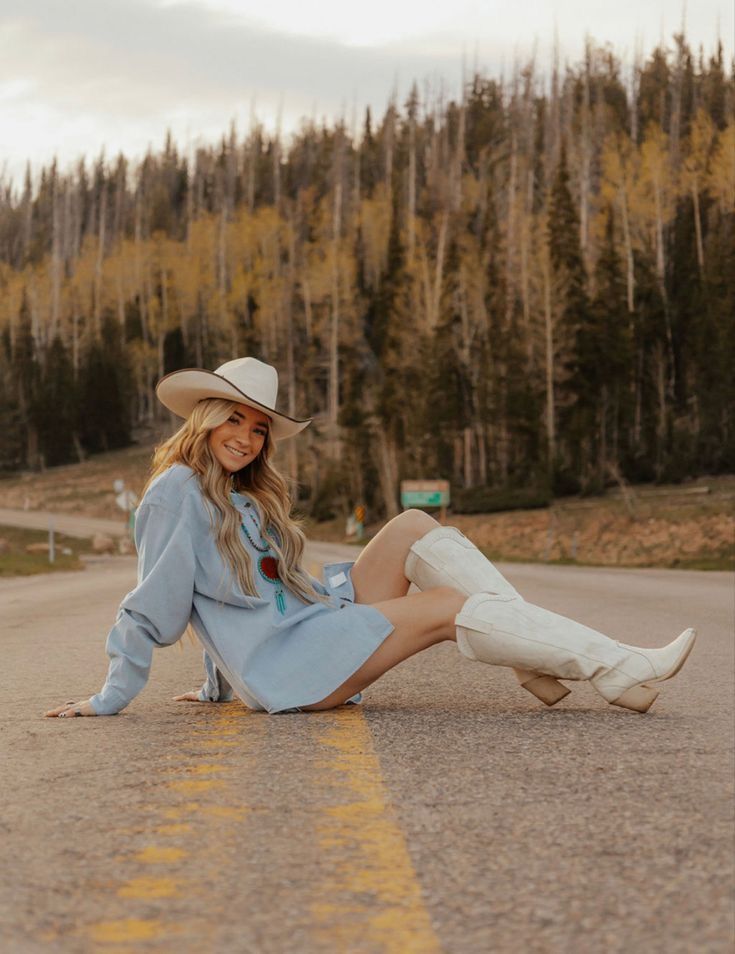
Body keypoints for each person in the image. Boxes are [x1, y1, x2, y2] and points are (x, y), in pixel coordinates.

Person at [45, 357, 696, 721]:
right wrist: (110, 696)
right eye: (234, 421)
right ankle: (614, 665)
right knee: (442, 608)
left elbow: (243, 595)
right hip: (289, 666)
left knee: (414, 527)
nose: (247, 437)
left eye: (259, 428)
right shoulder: (174, 493)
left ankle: (539, 659)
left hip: (310, 627)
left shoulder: (243, 492)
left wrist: (217, 684)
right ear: (206, 420)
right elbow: (161, 601)